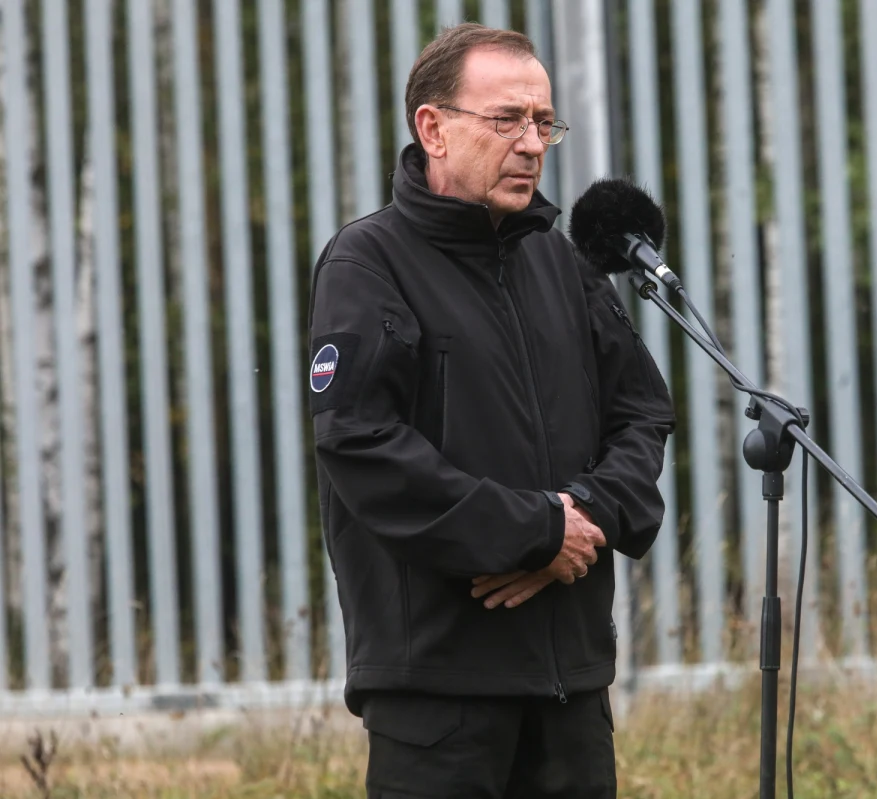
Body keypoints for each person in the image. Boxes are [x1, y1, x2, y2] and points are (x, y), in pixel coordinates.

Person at [307, 22, 675, 799]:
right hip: (439, 691)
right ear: (432, 128)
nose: (533, 143)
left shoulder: (565, 261)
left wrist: (578, 521)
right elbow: (361, 442)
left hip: (570, 686)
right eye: (507, 119)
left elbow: (642, 413)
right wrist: (532, 531)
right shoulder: (370, 262)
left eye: (544, 122)